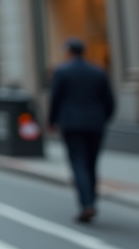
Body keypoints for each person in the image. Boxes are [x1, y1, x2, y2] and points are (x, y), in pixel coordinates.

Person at [48, 37, 115, 223]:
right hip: (95, 124)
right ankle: (91, 201)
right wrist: (103, 118)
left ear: (69, 52)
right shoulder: (98, 71)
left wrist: (51, 121)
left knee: (78, 163)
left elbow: (55, 99)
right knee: (91, 163)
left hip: (71, 125)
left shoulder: (61, 71)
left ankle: (87, 204)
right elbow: (110, 101)